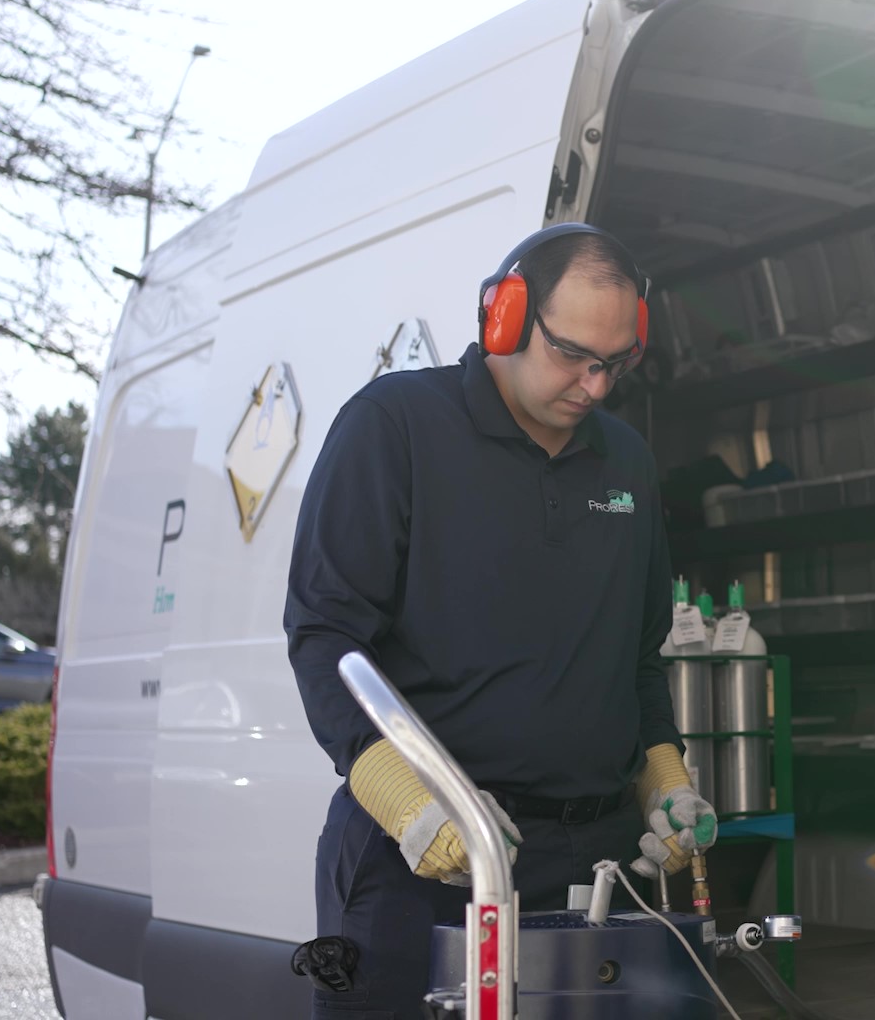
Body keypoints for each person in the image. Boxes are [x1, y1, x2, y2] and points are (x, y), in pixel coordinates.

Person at [284, 224, 716, 1018]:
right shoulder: (395, 428)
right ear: (505, 317)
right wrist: (410, 801)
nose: (593, 385)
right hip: (418, 873)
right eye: (573, 356)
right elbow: (325, 638)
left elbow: (638, 656)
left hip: (596, 871)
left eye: (615, 365)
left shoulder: (625, 462)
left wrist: (664, 777)